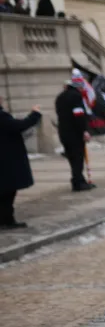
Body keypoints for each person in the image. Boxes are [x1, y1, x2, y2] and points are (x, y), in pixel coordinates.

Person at [0, 98, 42, 229]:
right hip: (6, 160)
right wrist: (34, 114)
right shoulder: (2, 117)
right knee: (6, 192)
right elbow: (20, 126)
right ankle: (6, 221)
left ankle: (6, 219)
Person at [54, 80, 95, 191]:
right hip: (75, 133)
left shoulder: (59, 98)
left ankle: (79, 180)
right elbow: (78, 114)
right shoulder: (76, 96)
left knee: (72, 159)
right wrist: (84, 131)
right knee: (78, 159)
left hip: (64, 132)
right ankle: (77, 183)